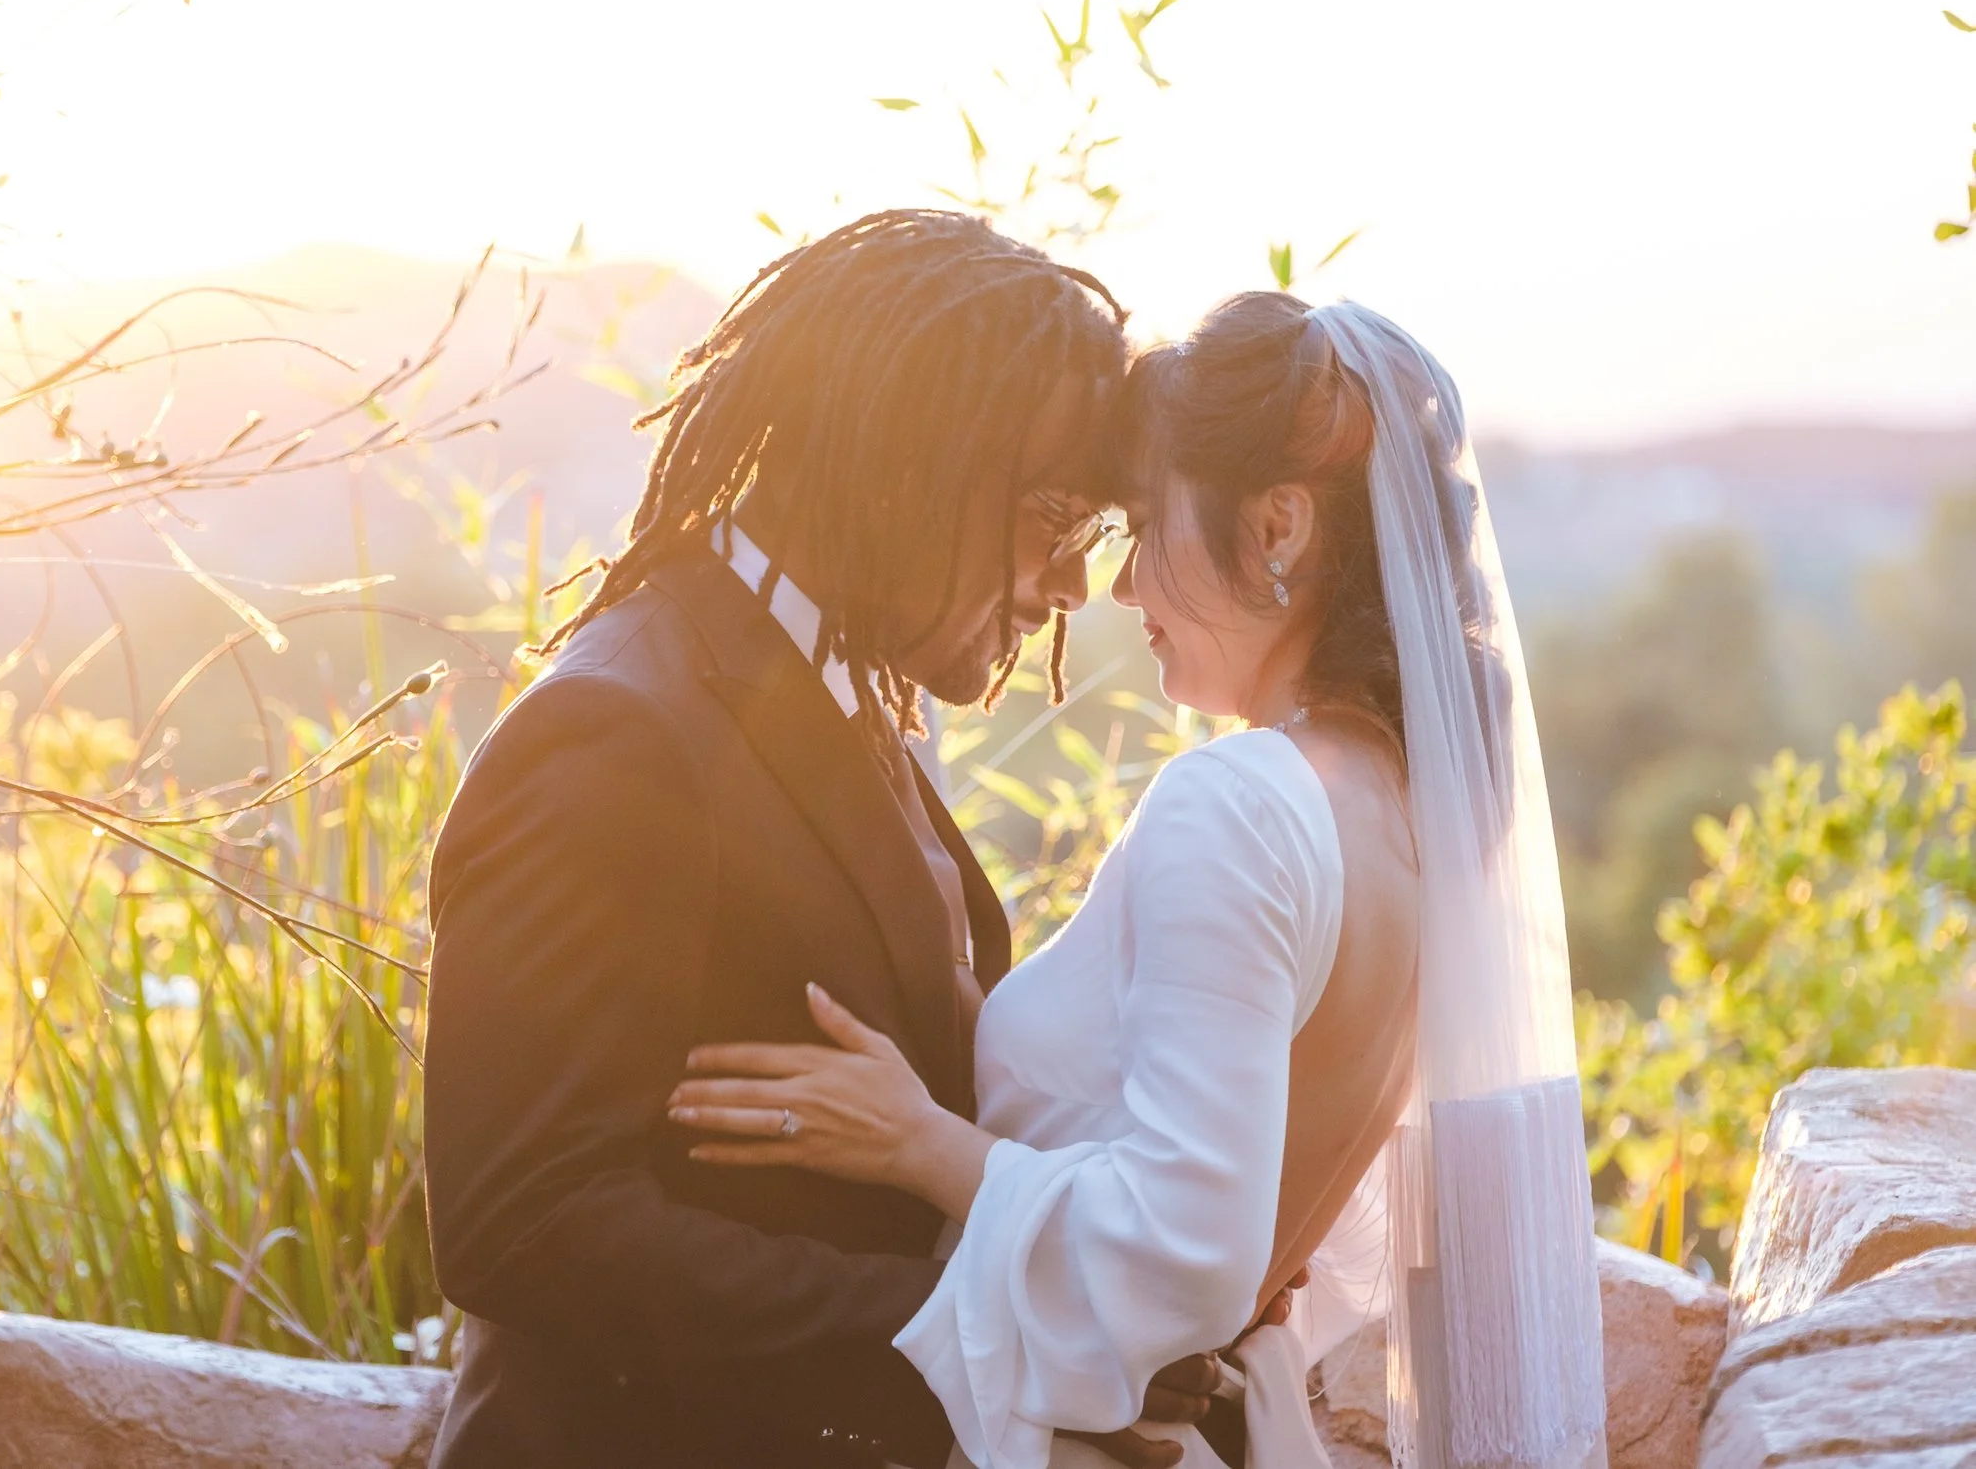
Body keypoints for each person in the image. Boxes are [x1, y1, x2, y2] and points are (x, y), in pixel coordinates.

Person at [672, 292, 1609, 1468]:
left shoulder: (1240, 804)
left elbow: (1185, 1252)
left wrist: (918, 1142)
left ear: (1275, 530)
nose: (1117, 592)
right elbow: (1303, 1230)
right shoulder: (1410, 814)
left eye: (1144, 526)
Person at [421, 210, 1228, 1469]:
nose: (1071, 587)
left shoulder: (834, 688)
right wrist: (987, 1336)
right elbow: (525, 1221)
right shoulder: (614, 733)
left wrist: (1133, 1252)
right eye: (1054, 519)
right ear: (911, 467)